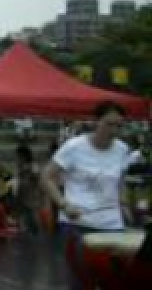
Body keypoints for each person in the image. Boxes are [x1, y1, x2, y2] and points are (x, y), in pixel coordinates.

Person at [41, 102, 142, 290]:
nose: (114, 131)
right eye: (109, 124)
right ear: (96, 122)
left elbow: (119, 181)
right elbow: (46, 177)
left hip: (111, 223)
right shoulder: (74, 146)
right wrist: (64, 204)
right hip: (77, 223)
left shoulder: (122, 149)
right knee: (81, 280)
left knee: (115, 280)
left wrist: (124, 204)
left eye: (119, 126)